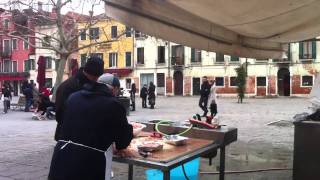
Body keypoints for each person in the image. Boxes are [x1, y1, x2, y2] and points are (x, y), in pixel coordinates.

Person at [48, 73, 133, 180]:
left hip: (61, 156)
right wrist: (123, 141)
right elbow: (122, 140)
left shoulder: (73, 97)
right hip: (89, 163)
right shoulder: (114, 105)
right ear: (114, 89)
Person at [54, 56, 104, 141]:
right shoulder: (69, 86)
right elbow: (60, 114)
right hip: (70, 136)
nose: (97, 79)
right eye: (97, 77)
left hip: (80, 135)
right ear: (93, 75)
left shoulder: (86, 84)